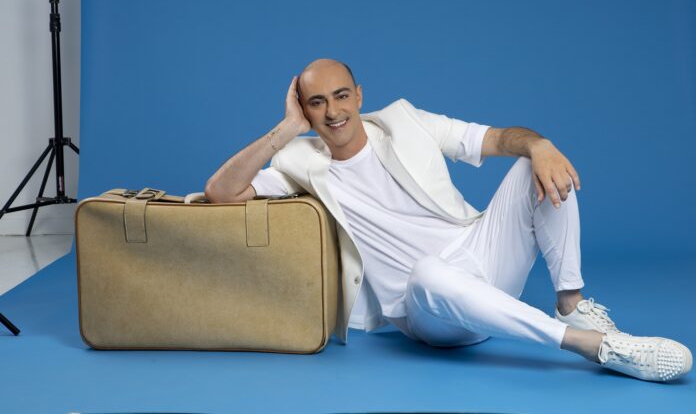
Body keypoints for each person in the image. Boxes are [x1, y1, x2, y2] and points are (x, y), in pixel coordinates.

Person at [205, 58, 692, 382]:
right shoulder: (298, 162)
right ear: (306, 112)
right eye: (316, 103)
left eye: (341, 96)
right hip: (426, 308)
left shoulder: (405, 122)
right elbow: (221, 192)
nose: (333, 111)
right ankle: (595, 346)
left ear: (359, 95)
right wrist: (286, 129)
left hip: (479, 258)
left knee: (534, 166)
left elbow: (498, 139)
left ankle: (572, 305)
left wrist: (540, 145)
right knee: (429, 272)